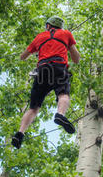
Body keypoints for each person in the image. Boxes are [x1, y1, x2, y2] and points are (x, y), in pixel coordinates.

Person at [11, 16, 80, 149]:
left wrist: (38, 51)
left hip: (42, 70)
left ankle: (20, 133)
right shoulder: (66, 34)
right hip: (59, 67)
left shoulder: (40, 37)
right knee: (63, 95)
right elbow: (76, 58)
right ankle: (60, 115)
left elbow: (23, 56)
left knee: (33, 108)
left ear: (48, 26)